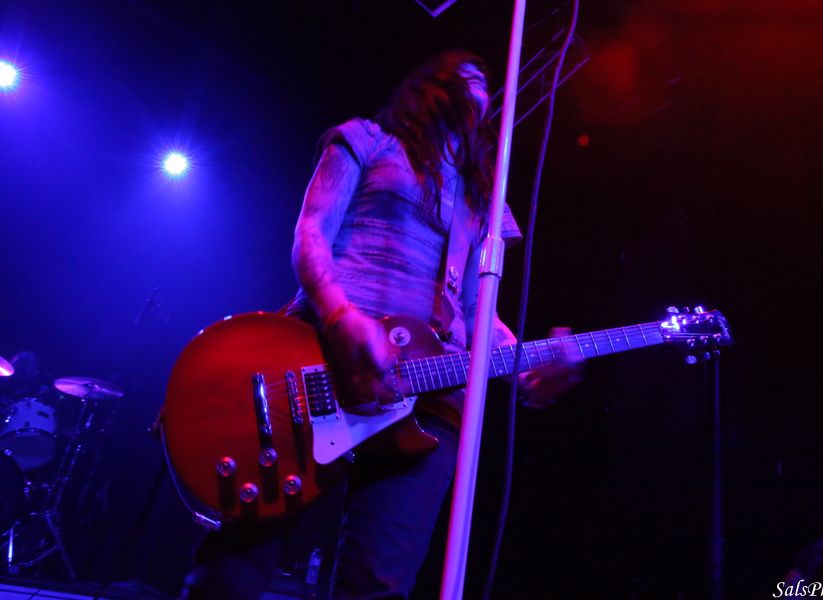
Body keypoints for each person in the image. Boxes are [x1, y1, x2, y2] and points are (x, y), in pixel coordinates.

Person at [184, 49, 580, 600]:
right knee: (236, 566)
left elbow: (476, 314)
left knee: (378, 584)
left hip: (428, 399)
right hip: (320, 358)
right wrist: (341, 316)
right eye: (465, 74)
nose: (480, 82)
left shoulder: (483, 203)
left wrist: (528, 362)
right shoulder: (368, 139)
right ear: (430, 86)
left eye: (486, 80)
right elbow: (312, 232)